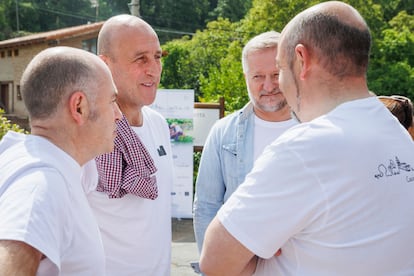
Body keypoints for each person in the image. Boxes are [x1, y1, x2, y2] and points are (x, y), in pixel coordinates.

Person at [199, 1, 414, 275]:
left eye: (279, 69)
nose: (277, 85)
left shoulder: (303, 148)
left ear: (302, 59)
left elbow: (215, 260)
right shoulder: (397, 133)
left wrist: (265, 240)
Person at [0, 46, 122, 275]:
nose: (118, 114)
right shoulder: (42, 184)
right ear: (79, 107)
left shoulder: (29, 160)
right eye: (112, 101)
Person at [81, 14, 174, 275]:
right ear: (104, 65)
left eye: (157, 57)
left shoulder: (159, 124)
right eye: (140, 58)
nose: (153, 69)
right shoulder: (85, 135)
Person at [193, 31, 297, 252]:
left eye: (276, 74)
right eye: (258, 76)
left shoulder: (316, 129)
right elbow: (206, 207)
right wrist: (215, 268)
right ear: (246, 78)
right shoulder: (223, 133)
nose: (268, 86)